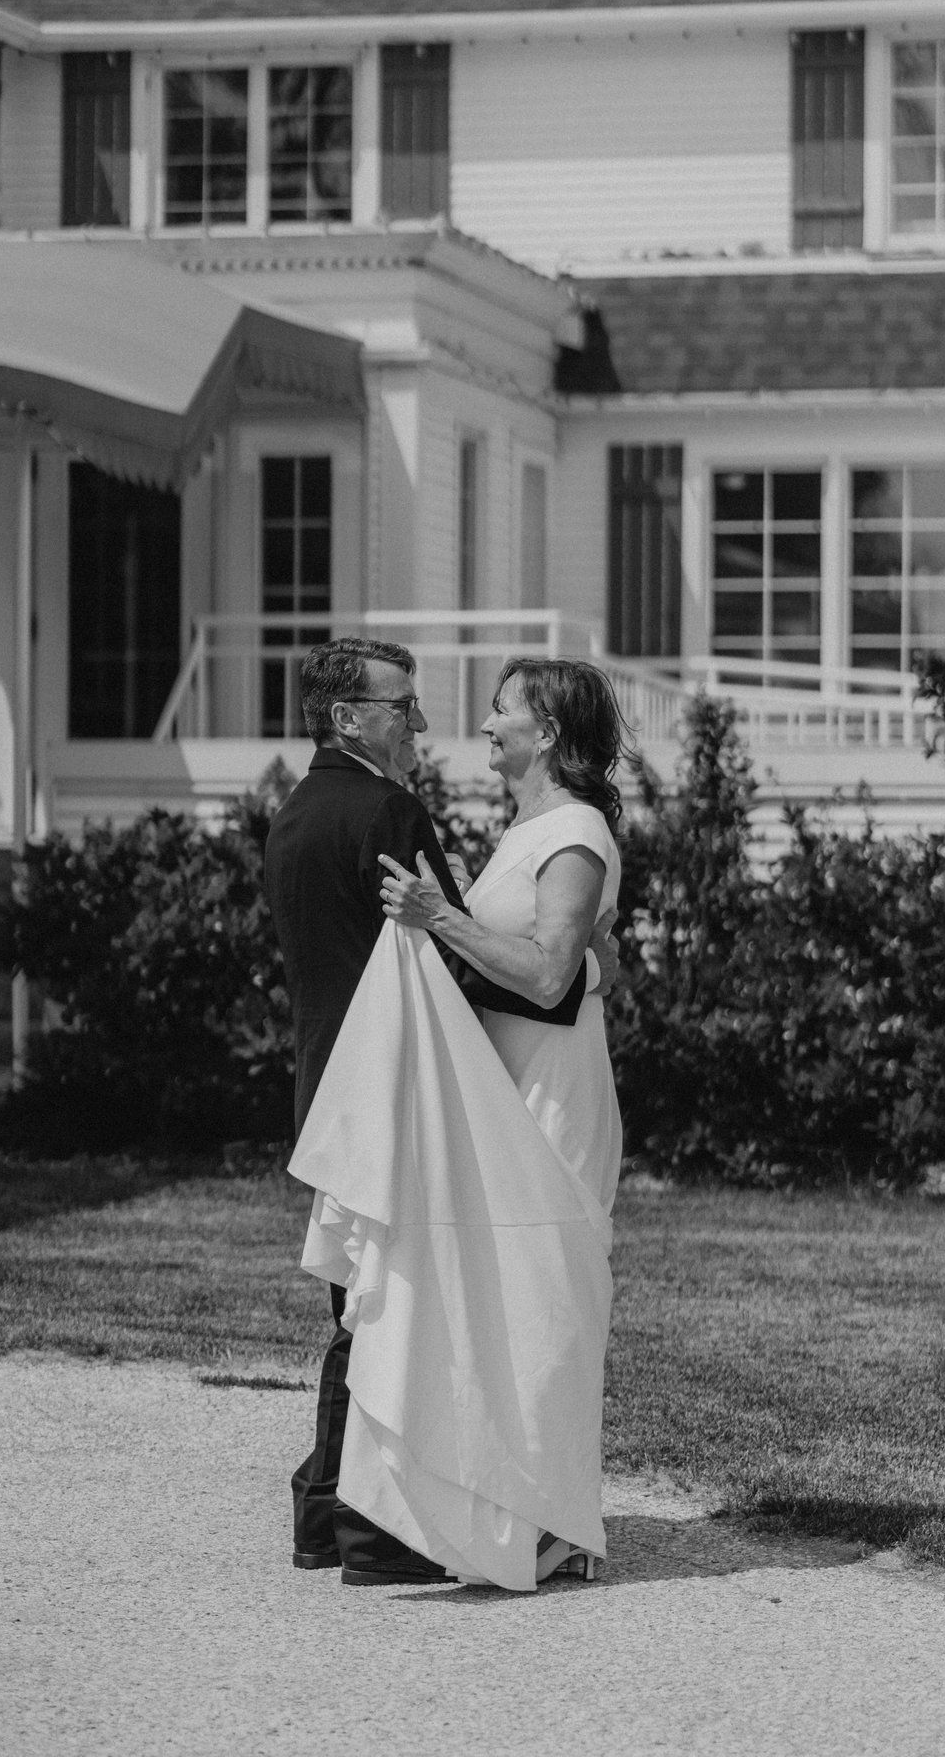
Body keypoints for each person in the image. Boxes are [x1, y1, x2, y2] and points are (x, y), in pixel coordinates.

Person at [264, 637, 614, 1588]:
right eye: (402, 706)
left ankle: (327, 1512)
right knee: (399, 1306)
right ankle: (374, 1531)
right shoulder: (387, 811)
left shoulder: (296, 812)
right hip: (401, 1088)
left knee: (371, 1300)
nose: (423, 721)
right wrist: (588, 972)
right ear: (349, 718)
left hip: (333, 1085)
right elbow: (453, 966)